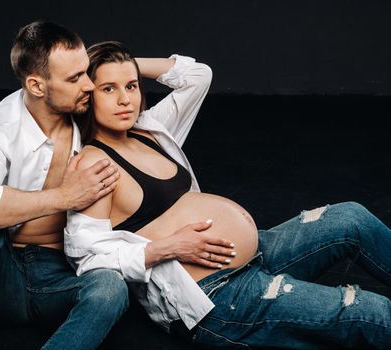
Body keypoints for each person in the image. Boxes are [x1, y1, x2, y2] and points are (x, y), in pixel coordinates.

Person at [64, 41, 391, 348]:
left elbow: (197, 76)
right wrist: (167, 247)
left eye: (131, 86)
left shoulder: (146, 129)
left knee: (351, 218)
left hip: (258, 253)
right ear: (87, 94)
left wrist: (122, 65)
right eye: (109, 89)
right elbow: (85, 256)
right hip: (217, 297)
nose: (125, 99)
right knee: (371, 312)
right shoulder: (94, 164)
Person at [0, 20, 233, 350]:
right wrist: (64, 196)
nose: (90, 85)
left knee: (111, 287)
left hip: (64, 279)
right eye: (76, 77)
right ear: (37, 85)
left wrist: (121, 65)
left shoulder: (105, 121)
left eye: (88, 72)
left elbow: (197, 77)